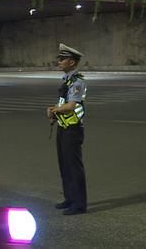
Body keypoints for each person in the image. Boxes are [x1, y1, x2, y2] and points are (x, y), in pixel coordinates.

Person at [47, 43, 87, 216]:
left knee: (74, 166)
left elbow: (71, 105)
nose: (59, 62)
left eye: (62, 59)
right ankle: (70, 198)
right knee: (64, 165)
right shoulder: (66, 80)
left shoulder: (78, 82)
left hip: (73, 129)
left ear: (72, 62)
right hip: (63, 127)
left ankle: (79, 204)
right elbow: (64, 103)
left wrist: (55, 110)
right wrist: (54, 110)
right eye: (59, 59)